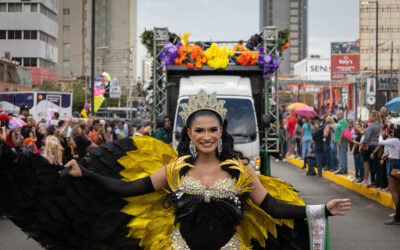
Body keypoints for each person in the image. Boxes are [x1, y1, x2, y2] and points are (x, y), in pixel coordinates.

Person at [0, 90, 352, 249]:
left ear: (221, 132)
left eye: (212, 130)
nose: (206, 137)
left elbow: (273, 207)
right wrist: (86, 175)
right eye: (199, 130)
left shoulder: (241, 172)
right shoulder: (174, 171)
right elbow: (128, 189)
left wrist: (321, 210)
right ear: (189, 134)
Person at [379, 124, 400, 225]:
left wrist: (381, 133)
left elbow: (381, 141)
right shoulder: (396, 140)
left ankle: (398, 214)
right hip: (398, 163)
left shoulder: (395, 140)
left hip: (393, 164)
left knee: (394, 191)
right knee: (397, 190)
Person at [361, 110, 382, 187]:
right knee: (375, 164)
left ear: (374, 117)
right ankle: (374, 181)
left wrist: (363, 144)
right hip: (377, 146)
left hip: (370, 146)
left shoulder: (371, 125)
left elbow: (366, 137)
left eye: (370, 116)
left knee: (370, 164)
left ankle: (372, 181)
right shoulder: (380, 125)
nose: (369, 117)